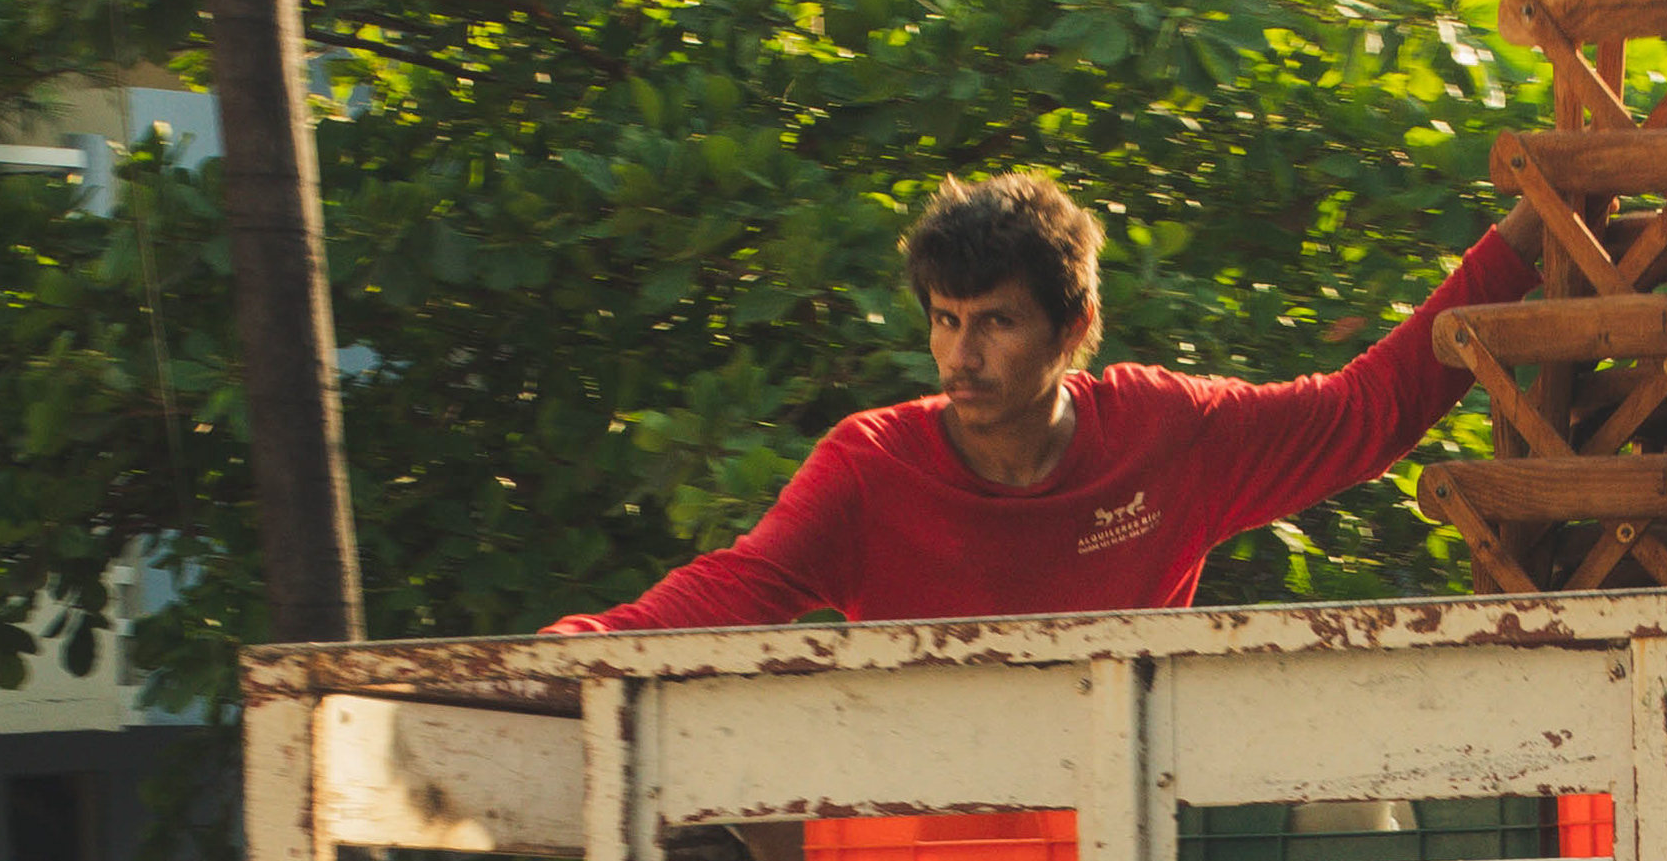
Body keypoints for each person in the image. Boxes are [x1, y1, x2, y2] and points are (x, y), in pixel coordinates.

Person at [557, 170, 1533, 631]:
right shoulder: (869, 465)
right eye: (943, 320)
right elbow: (732, 589)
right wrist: (560, 657)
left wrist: (1539, 229)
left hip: (1122, 842)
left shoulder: (1168, 433)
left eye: (995, 323)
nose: (960, 354)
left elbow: (1370, 410)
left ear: (1075, 329)